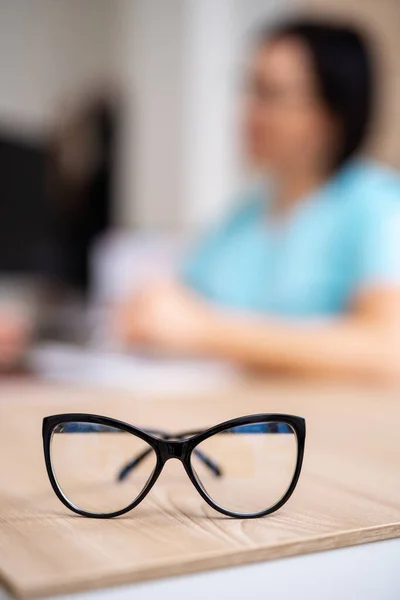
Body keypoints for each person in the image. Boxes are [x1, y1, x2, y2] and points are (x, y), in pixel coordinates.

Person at [116, 19, 400, 383]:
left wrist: (206, 332)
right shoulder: (240, 220)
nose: (248, 112)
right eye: (248, 89)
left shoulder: (378, 207)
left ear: (330, 113)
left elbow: (388, 350)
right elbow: (181, 306)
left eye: (270, 94)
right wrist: (149, 316)